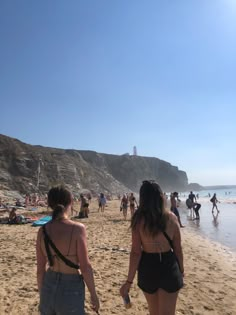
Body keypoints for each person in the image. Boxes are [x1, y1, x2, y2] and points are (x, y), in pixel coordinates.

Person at [120, 181, 184, 315]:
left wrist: (129, 281)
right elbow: (178, 249)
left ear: (142, 198)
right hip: (168, 266)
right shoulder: (171, 218)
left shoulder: (138, 220)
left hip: (147, 267)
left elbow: (136, 252)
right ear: (161, 197)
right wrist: (181, 271)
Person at [36, 185, 99, 315]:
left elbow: (40, 270)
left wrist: (43, 295)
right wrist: (93, 294)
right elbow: (85, 267)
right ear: (70, 202)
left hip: (48, 284)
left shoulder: (42, 231)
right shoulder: (77, 229)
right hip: (70, 287)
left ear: (50, 204)